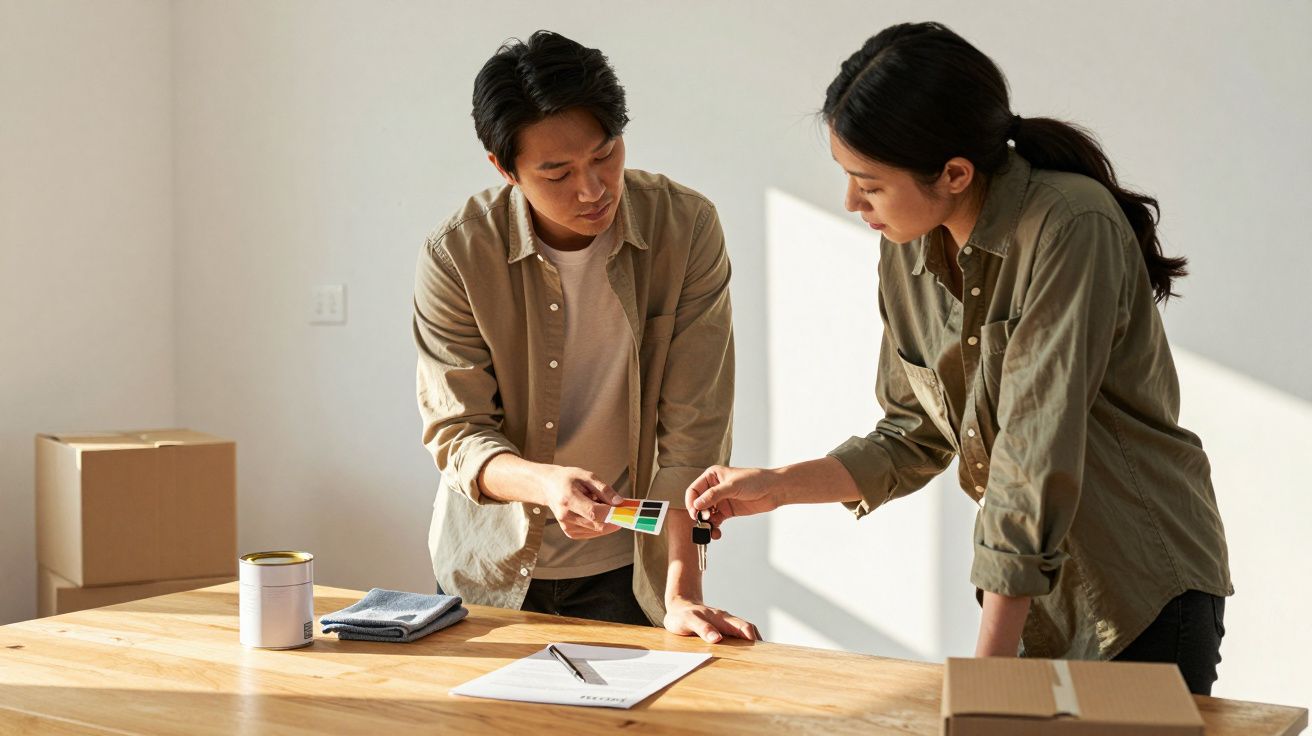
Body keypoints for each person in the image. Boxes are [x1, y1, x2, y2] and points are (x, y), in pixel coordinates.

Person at [683, 21, 1230, 692]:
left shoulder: (1070, 226)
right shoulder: (906, 246)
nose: (851, 202)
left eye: (869, 184)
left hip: (1140, 591)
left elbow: (1034, 453)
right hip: (1034, 606)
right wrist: (776, 485)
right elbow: (911, 433)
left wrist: (986, 677)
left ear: (955, 173)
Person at [414, 30, 757, 643]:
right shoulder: (458, 255)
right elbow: (458, 432)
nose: (593, 189)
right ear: (505, 168)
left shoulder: (687, 229)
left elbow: (694, 427)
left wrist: (682, 591)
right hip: (489, 571)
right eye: (558, 173)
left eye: (605, 155)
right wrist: (545, 483)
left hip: (631, 575)